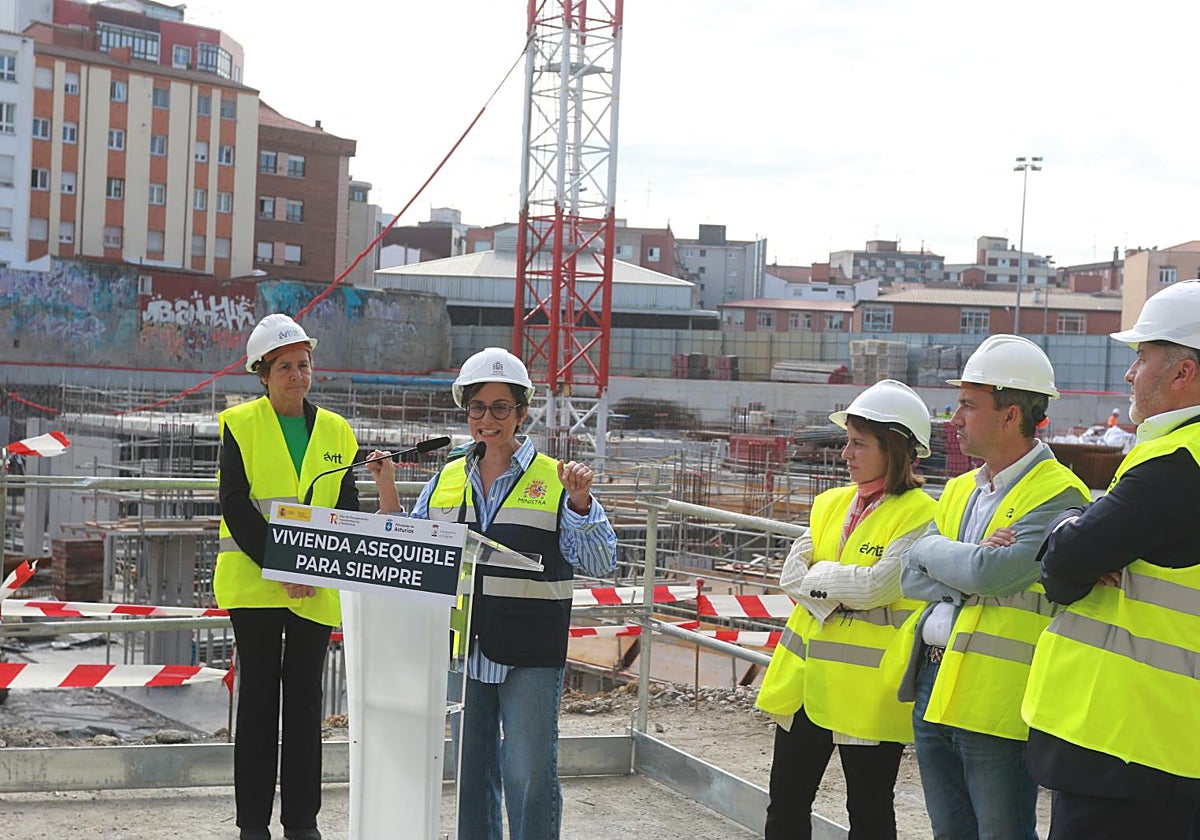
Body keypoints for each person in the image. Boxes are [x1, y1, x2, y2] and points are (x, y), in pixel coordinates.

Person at [368, 347, 617, 840]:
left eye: (501, 407)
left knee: (527, 774)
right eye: (478, 408)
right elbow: (413, 553)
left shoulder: (554, 478)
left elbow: (600, 561)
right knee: (471, 775)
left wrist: (581, 504)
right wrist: (388, 489)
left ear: (521, 413)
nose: (488, 419)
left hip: (530, 652)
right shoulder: (446, 478)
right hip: (464, 650)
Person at [1022, 279, 1200, 839]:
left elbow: (1062, 567)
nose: (1129, 373)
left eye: (1141, 357)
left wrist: (1064, 530)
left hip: (1129, 744)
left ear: (1182, 372)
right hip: (1169, 747)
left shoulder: (1177, 464)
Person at [898, 334, 1089, 840]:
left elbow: (993, 575)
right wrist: (962, 558)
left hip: (999, 696)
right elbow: (908, 572)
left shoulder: (1059, 492)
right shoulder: (961, 487)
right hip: (931, 682)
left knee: (1002, 834)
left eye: (967, 405)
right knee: (949, 832)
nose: (952, 418)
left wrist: (950, 560)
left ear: (1011, 415)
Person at [757, 379, 936, 839]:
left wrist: (822, 579)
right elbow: (789, 576)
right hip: (805, 686)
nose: (845, 454)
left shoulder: (922, 515)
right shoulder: (830, 503)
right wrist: (840, 584)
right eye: (846, 442)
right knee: (786, 808)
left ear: (894, 449)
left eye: (858, 444)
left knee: (870, 813)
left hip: (867, 695)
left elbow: (879, 585)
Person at [216, 313, 361, 840]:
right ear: (262, 372)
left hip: (315, 588)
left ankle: (303, 823)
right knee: (257, 704)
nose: (297, 375)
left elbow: (348, 507)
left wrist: (312, 570)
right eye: (284, 367)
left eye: (303, 365)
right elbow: (236, 506)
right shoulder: (239, 424)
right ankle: (252, 825)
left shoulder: (337, 431)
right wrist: (284, 568)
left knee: (304, 706)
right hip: (255, 586)